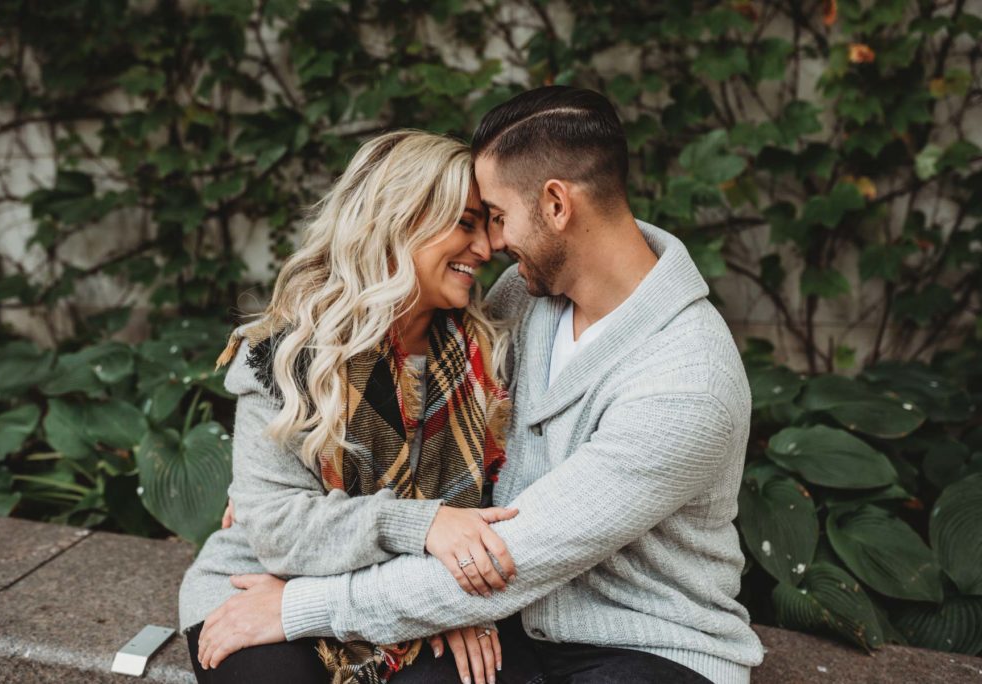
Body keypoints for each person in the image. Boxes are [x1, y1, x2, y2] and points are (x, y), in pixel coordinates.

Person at [195, 86, 766, 684]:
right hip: (508, 620)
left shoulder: (688, 382)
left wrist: (300, 607)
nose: (492, 245)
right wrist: (278, 488)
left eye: (495, 216)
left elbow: (512, 557)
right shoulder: (524, 300)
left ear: (555, 205)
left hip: (644, 643)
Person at [178, 129, 541, 684]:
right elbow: (277, 527)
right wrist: (425, 526)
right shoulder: (287, 356)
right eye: (464, 224)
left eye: (487, 224)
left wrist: (451, 599)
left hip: (410, 600)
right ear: (400, 221)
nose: (486, 249)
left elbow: (503, 516)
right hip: (260, 586)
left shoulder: (486, 358)